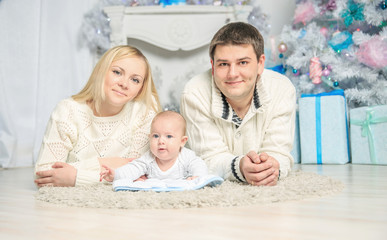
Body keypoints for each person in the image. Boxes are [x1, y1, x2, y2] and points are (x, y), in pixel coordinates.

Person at [180, 22, 296, 186]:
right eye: (223, 64)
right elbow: (207, 158)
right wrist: (240, 167)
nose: (232, 74)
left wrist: (271, 165)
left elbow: (279, 152)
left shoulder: (282, 89)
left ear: (260, 63)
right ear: (213, 66)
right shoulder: (194, 93)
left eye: (243, 62)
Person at [34, 45, 161, 187]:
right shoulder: (68, 111)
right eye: (117, 72)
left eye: (135, 80)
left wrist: (76, 177)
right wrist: (109, 163)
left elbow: (138, 176)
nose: (124, 84)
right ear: (101, 71)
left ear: (141, 88)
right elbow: (43, 174)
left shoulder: (144, 112)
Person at [100, 111, 208, 183]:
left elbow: (199, 165)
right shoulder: (148, 158)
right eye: (156, 136)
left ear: (182, 141)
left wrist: (197, 177)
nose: (161, 141)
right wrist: (115, 174)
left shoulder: (186, 156)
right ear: (150, 137)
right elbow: (132, 169)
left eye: (169, 136)